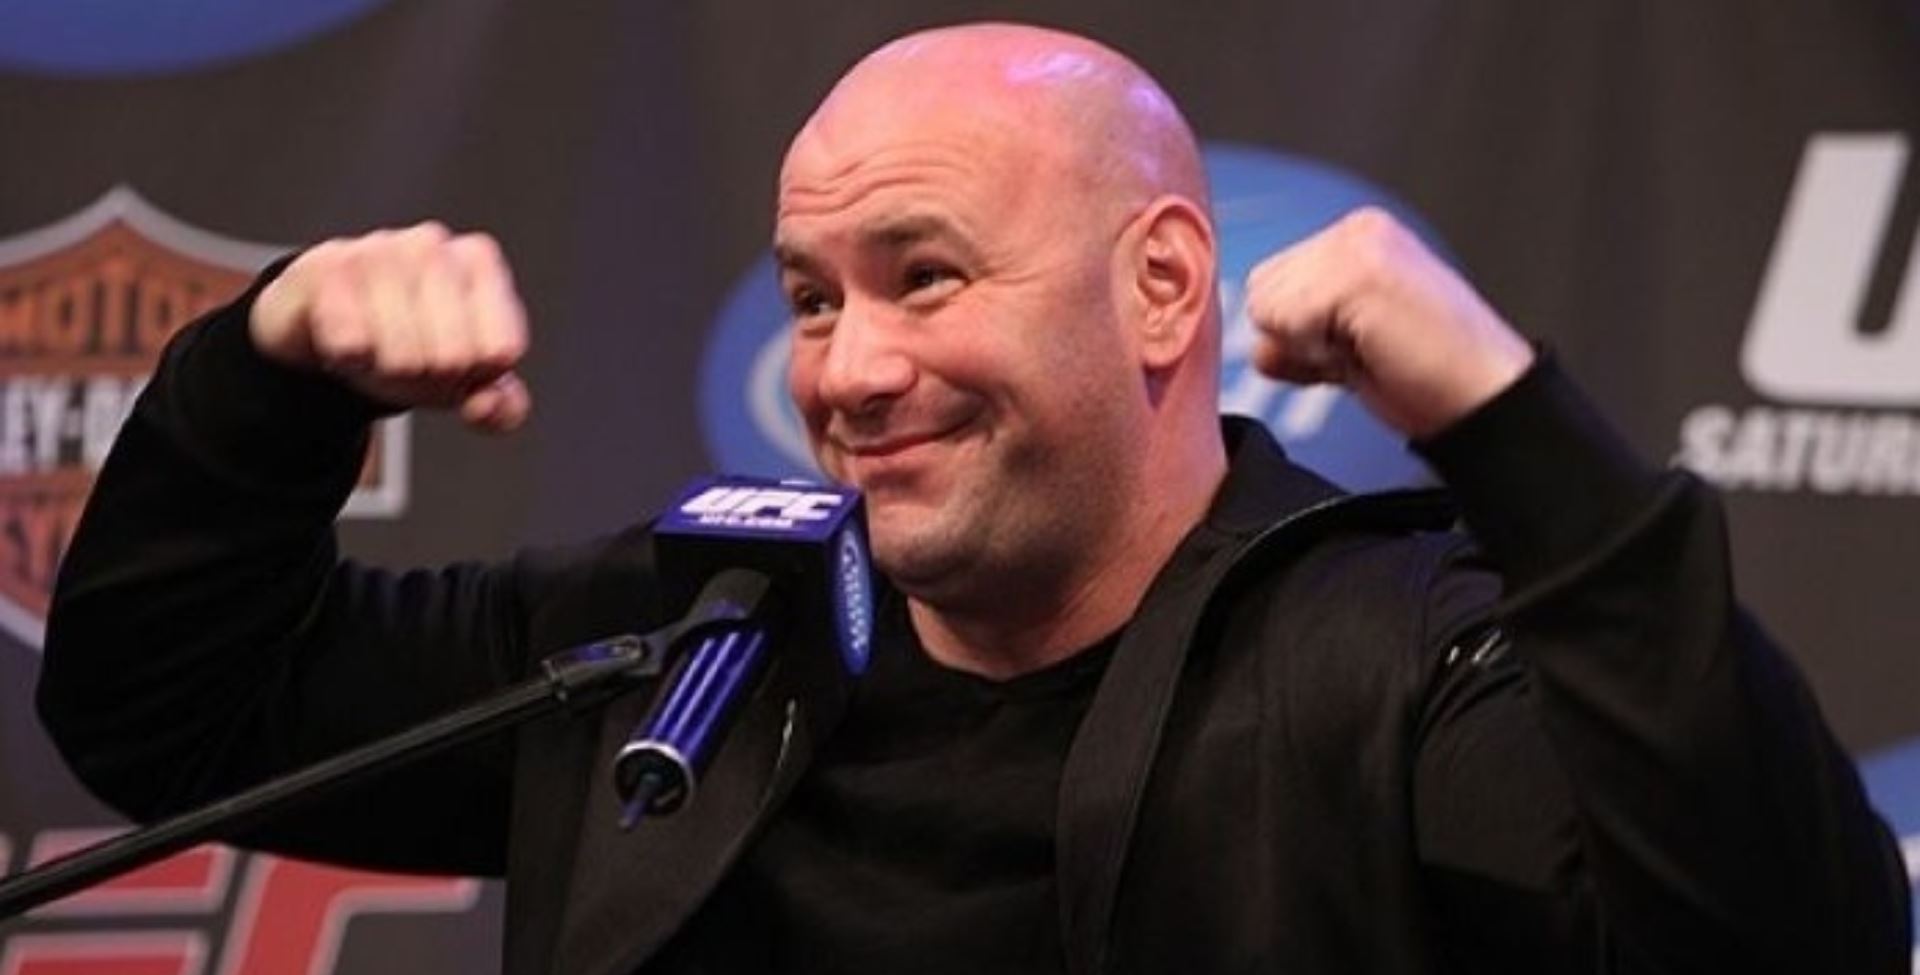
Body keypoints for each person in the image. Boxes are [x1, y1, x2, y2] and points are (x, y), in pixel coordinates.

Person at [36, 21, 1909, 975]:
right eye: (810, 299)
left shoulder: (1398, 663)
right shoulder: (688, 644)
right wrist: (265, 371)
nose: (847, 373)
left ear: (1162, 288)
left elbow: (1796, 947)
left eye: (925, 278)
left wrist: (1510, 423)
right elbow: (173, 719)